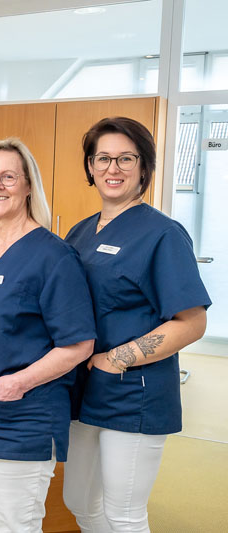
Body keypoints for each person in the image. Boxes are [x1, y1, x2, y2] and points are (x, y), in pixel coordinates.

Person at [0, 138, 95, 532]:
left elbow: (79, 344)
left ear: (27, 185)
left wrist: (18, 383)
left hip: (24, 418)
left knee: (14, 525)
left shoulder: (54, 256)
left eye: (8, 177)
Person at [63, 117, 210, 532]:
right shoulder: (79, 232)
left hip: (134, 392)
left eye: (126, 158)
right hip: (84, 389)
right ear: (90, 166)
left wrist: (118, 358)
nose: (113, 168)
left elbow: (193, 321)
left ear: (144, 166)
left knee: (124, 515)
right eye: (103, 158)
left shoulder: (163, 234)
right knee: (79, 501)